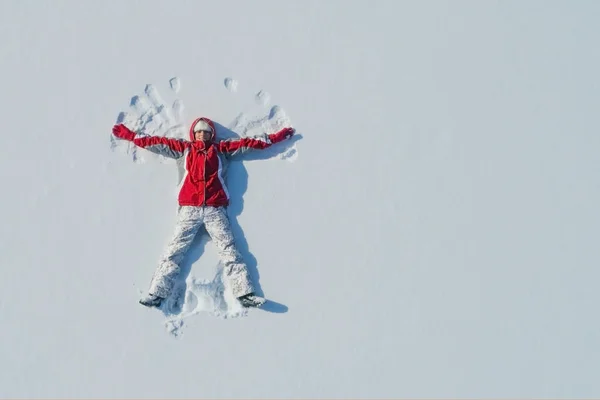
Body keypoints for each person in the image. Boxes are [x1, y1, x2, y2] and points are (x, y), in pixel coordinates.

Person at [112, 117, 295, 308]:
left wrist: (276, 137)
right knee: (174, 250)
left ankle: (245, 293)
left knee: (229, 250)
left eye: (206, 132)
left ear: (211, 135)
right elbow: (154, 142)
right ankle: (157, 293)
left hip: (215, 209)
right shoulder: (184, 149)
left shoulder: (221, 150)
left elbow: (250, 143)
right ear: (193, 134)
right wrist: (130, 135)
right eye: (199, 132)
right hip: (189, 209)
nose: (202, 135)